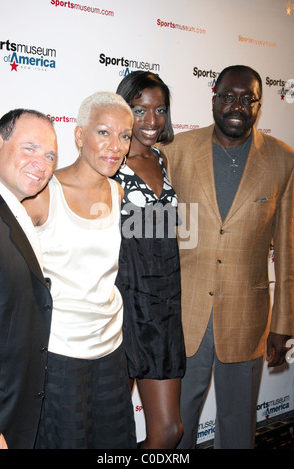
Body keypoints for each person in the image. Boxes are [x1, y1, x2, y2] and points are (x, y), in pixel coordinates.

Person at [160, 65, 294, 449]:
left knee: (238, 429)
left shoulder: (283, 160)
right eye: (229, 96)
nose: (237, 106)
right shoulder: (176, 152)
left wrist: (283, 321)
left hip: (248, 318)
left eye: (248, 98)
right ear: (214, 97)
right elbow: (155, 235)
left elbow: (286, 250)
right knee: (176, 426)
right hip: (184, 315)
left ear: (259, 105)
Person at [23, 91, 137, 449]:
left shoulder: (118, 193)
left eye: (124, 136)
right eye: (103, 132)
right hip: (59, 355)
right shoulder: (43, 194)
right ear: (79, 136)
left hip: (112, 351)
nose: (115, 146)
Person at [114, 71, 186, 449]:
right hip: (122, 306)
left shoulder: (162, 158)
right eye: (138, 110)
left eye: (159, 109)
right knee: (109, 429)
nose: (151, 121)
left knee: (169, 431)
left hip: (163, 306)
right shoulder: (110, 161)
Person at [0, 109, 58, 449]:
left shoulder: (16, 211)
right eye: (29, 148)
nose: (41, 163)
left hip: (21, 408)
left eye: (49, 155)